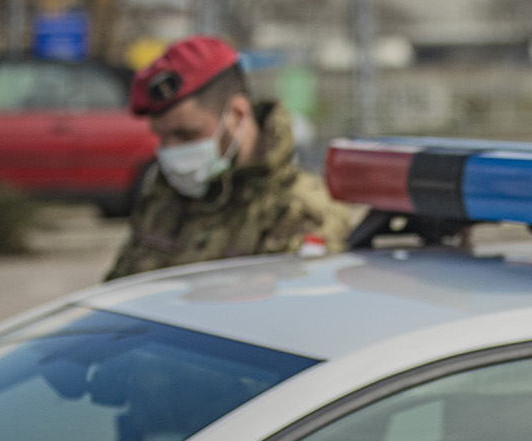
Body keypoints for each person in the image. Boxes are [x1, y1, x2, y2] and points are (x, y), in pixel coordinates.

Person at [105, 35, 352, 280]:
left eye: (185, 134)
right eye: (163, 137)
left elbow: (298, 312)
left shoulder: (302, 211)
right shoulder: (162, 199)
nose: (170, 149)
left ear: (236, 114)